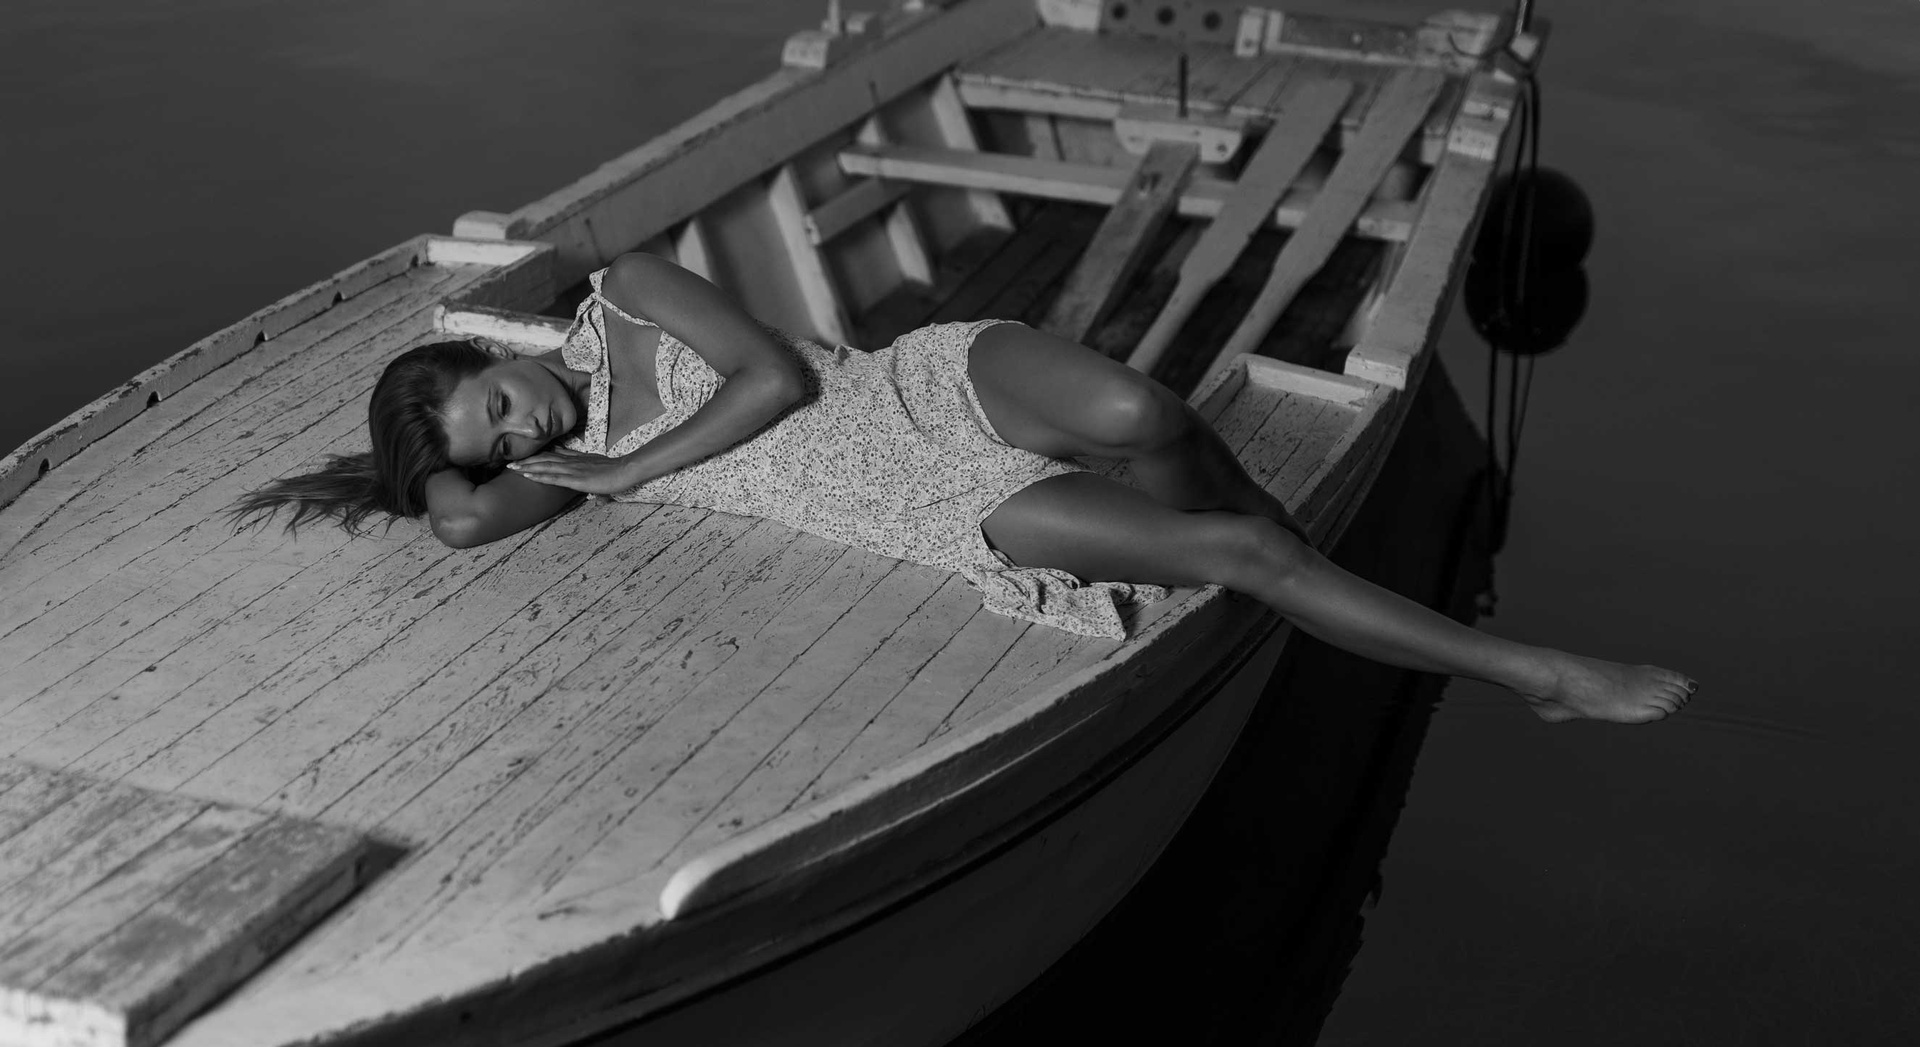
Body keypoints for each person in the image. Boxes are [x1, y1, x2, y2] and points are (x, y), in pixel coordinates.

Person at [232, 251, 1695, 723]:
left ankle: (1297, 556)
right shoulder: (550, 466)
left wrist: (619, 466)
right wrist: (442, 467)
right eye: (501, 443)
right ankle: (1534, 672)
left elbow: (774, 378)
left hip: (915, 388)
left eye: (497, 401)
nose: (521, 430)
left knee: (1142, 410)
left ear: (498, 351)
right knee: (1241, 557)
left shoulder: (627, 297)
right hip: (917, 509)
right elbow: (460, 521)